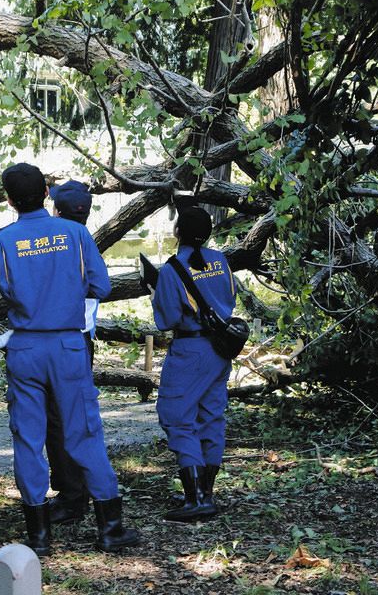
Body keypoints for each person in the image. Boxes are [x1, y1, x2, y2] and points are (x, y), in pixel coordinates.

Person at [0, 163, 140, 555]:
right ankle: (110, 528)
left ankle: (39, 535)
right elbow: (102, 286)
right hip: (69, 347)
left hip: (23, 348)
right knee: (84, 432)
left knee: (28, 437)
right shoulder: (75, 234)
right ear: (46, 194)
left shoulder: (2, 240)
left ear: (8, 200)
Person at [150, 206, 234, 522]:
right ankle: (205, 491)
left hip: (190, 349)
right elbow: (229, 299)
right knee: (211, 415)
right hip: (220, 348)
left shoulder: (173, 270)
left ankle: (196, 498)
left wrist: (155, 293)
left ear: (177, 232)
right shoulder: (221, 261)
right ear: (209, 232)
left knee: (176, 416)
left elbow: (168, 319)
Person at [43, 180, 96, 525]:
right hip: (82, 340)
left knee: (60, 421)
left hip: (62, 341)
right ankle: (74, 487)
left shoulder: (59, 246)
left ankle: (73, 495)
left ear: (56, 211)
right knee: (72, 417)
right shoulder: (85, 241)